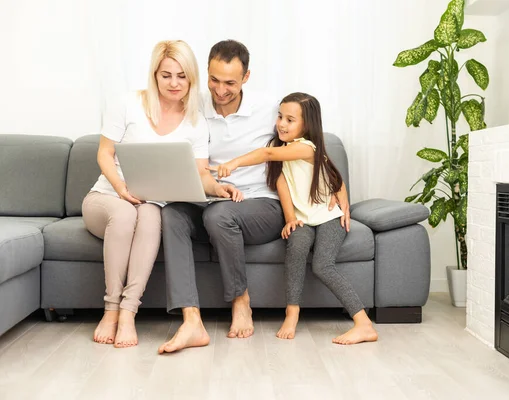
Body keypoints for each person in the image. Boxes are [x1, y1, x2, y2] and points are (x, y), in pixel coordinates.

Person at [158, 40, 351, 354]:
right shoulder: (192, 107)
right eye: (214, 80)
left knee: (219, 216)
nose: (220, 90)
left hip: (261, 204)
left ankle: (241, 302)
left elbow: (315, 148)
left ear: (246, 77)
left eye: (230, 83)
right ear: (206, 72)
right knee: (172, 215)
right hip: (209, 197)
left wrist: (341, 191)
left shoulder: (268, 110)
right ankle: (191, 319)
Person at [82, 40, 235, 348]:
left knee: (153, 214)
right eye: (166, 75)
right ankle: (111, 309)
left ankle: (128, 313)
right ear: (154, 75)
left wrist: (218, 188)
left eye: (182, 75)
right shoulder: (127, 103)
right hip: (107, 198)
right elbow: (104, 153)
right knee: (126, 214)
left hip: (150, 203)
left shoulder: (195, 122)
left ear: (191, 77)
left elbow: (201, 173)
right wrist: (122, 189)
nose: (174, 83)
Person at [211, 92, 378, 345]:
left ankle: (363, 323)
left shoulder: (307, 148)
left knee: (322, 265)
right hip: (303, 220)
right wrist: (290, 218)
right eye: (280, 117)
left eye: (290, 120)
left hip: (329, 218)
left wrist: (233, 163)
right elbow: (283, 185)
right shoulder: (281, 148)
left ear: (306, 125)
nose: (281, 124)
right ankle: (292, 314)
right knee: (296, 250)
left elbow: (268, 157)